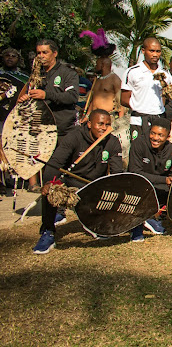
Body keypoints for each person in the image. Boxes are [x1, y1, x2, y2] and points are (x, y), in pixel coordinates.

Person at [32, 109, 123, 254]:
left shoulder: (112, 142)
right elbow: (55, 163)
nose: (104, 128)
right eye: (100, 124)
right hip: (70, 182)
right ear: (89, 124)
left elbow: (117, 172)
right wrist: (49, 182)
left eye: (107, 124)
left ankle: (97, 225)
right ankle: (48, 232)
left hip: (94, 185)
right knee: (50, 191)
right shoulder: (74, 137)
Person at [128, 117, 172, 236]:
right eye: (153, 133)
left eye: (160, 135)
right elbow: (135, 172)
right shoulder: (139, 144)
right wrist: (164, 180)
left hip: (160, 187)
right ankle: (142, 221)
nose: (155, 138)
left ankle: (158, 214)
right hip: (139, 185)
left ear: (168, 137)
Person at [18, 39, 79, 137]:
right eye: (39, 53)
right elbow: (26, 95)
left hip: (63, 131)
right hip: (39, 129)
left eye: (45, 52)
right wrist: (25, 98)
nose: (41, 56)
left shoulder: (68, 73)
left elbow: (72, 97)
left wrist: (46, 95)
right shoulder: (36, 74)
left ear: (55, 53)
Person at [121, 37, 172, 141]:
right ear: (143, 51)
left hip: (158, 120)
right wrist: (141, 107)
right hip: (138, 121)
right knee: (137, 151)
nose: (155, 54)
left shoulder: (165, 75)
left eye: (158, 51)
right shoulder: (132, 72)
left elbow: (164, 98)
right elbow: (124, 99)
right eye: (151, 51)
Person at [87, 54, 123, 119]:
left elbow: (120, 102)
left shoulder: (115, 79)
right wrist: (87, 115)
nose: (95, 66)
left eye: (97, 64)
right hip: (94, 117)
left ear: (102, 65)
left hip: (109, 118)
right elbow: (93, 100)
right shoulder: (97, 80)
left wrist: (120, 120)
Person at [0, 48, 29, 122]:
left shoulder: (25, 76)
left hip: (18, 114)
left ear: (18, 59)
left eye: (13, 56)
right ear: (2, 58)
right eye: (7, 55)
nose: (10, 58)